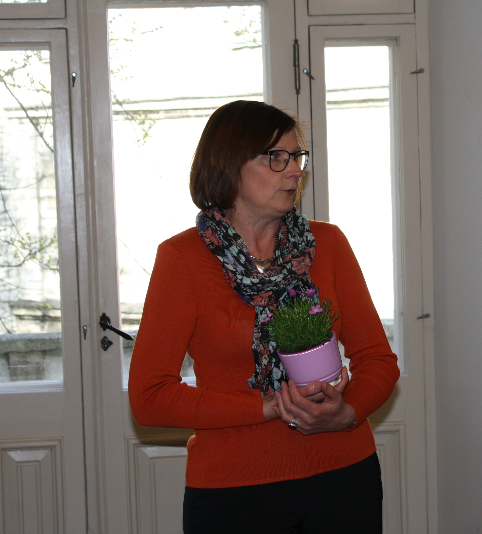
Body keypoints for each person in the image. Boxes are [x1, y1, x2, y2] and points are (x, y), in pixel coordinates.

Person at [129, 100, 399, 533]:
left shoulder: (328, 244)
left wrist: (347, 413)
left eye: (297, 157)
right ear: (230, 165)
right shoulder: (182, 259)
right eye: (277, 158)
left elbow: (378, 359)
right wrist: (268, 407)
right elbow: (150, 396)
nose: (295, 172)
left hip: (344, 478)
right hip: (233, 492)